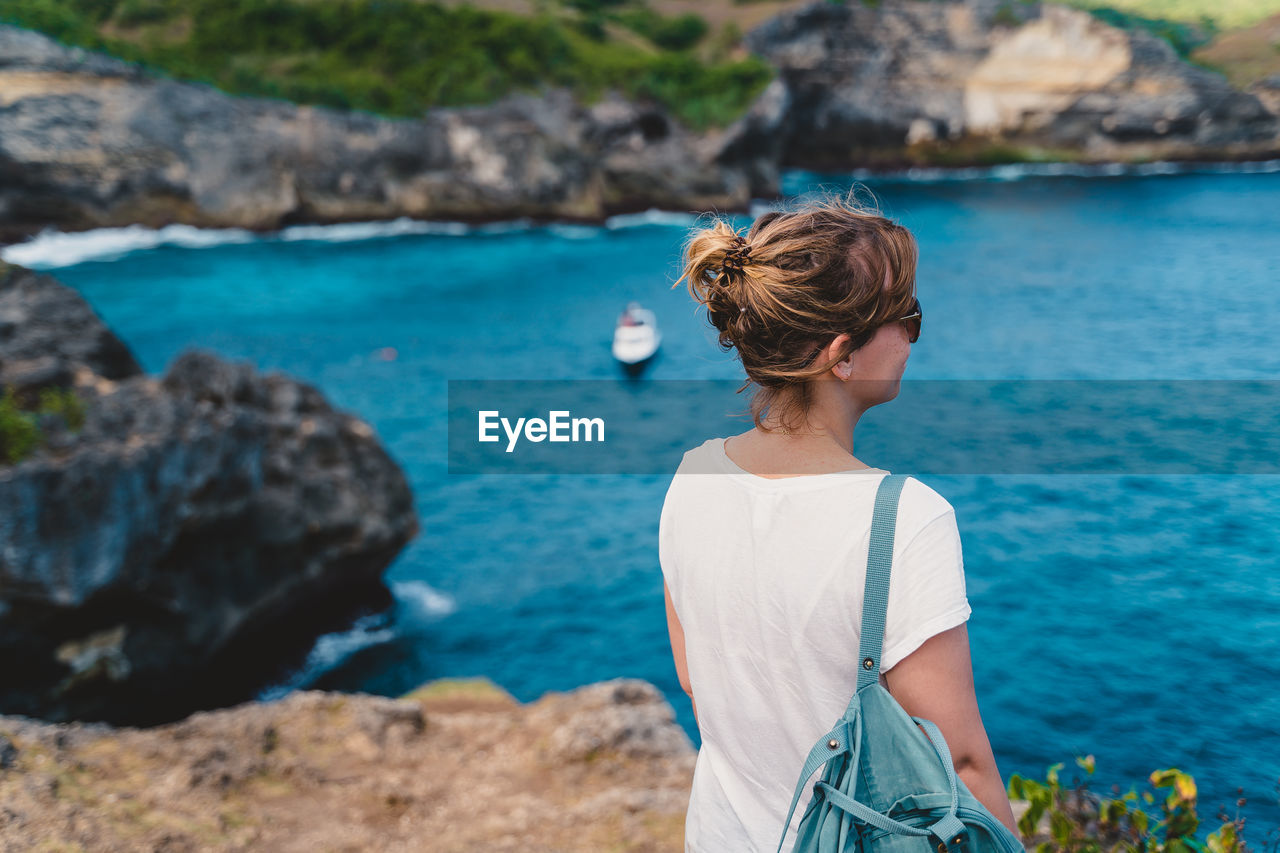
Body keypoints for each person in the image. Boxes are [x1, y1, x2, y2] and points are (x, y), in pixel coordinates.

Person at [658, 193, 1018, 852]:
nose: (912, 334)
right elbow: (962, 766)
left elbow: (693, 676)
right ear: (841, 354)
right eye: (905, 315)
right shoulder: (905, 517)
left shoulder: (691, 475)